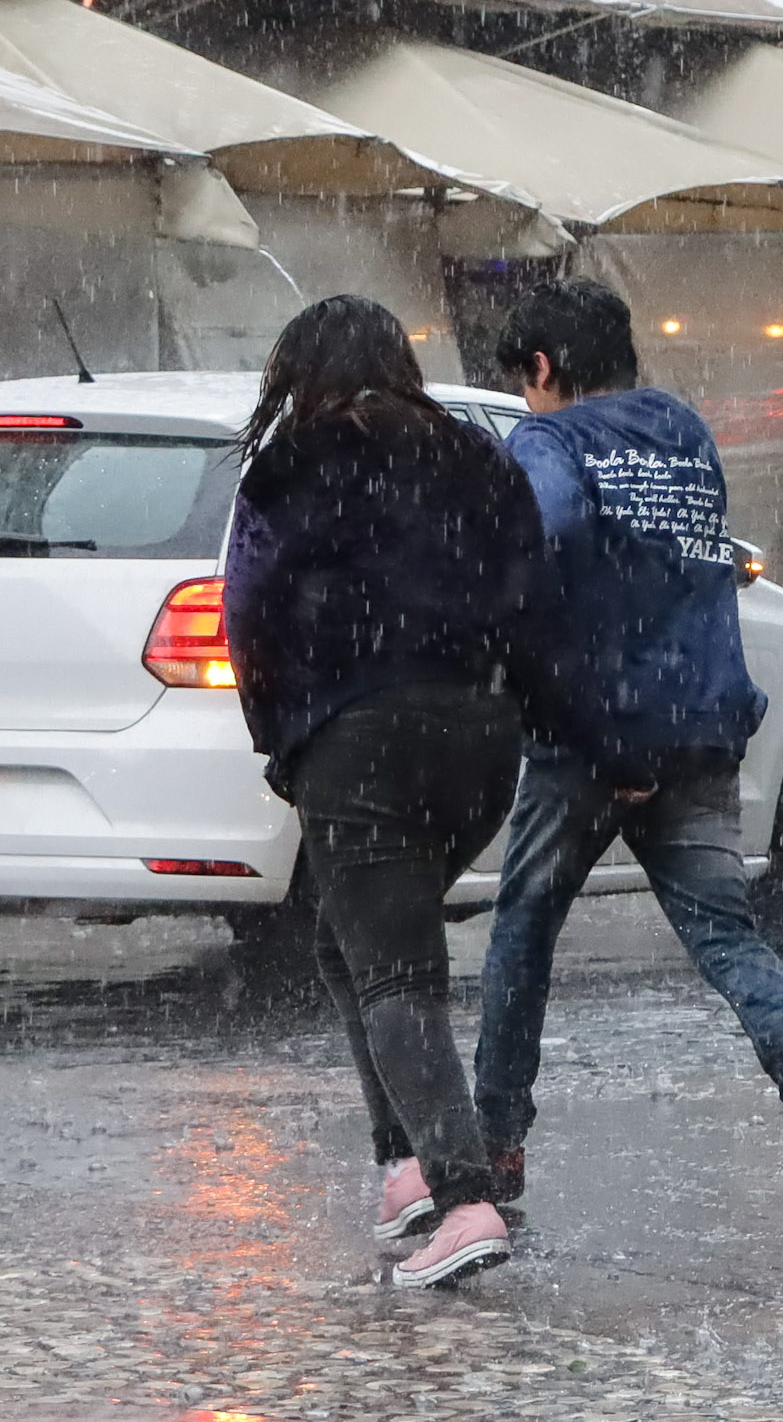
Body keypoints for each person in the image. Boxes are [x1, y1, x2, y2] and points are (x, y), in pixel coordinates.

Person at [471, 277, 783, 1227]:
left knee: (523, 935)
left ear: (543, 369)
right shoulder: (688, 434)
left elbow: (542, 530)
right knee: (727, 937)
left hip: (589, 736)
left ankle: (496, 1146)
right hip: (699, 727)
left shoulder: (551, 440)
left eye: (527, 383)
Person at [223, 295, 562, 1288]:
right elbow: (531, 589)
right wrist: (521, 707)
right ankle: (406, 1160)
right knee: (350, 935)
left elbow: (247, 603)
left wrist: (278, 735)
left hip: (358, 732)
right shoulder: (475, 456)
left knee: (395, 969)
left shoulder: (291, 462)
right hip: (479, 738)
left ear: (300, 372)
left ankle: (461, 1199)